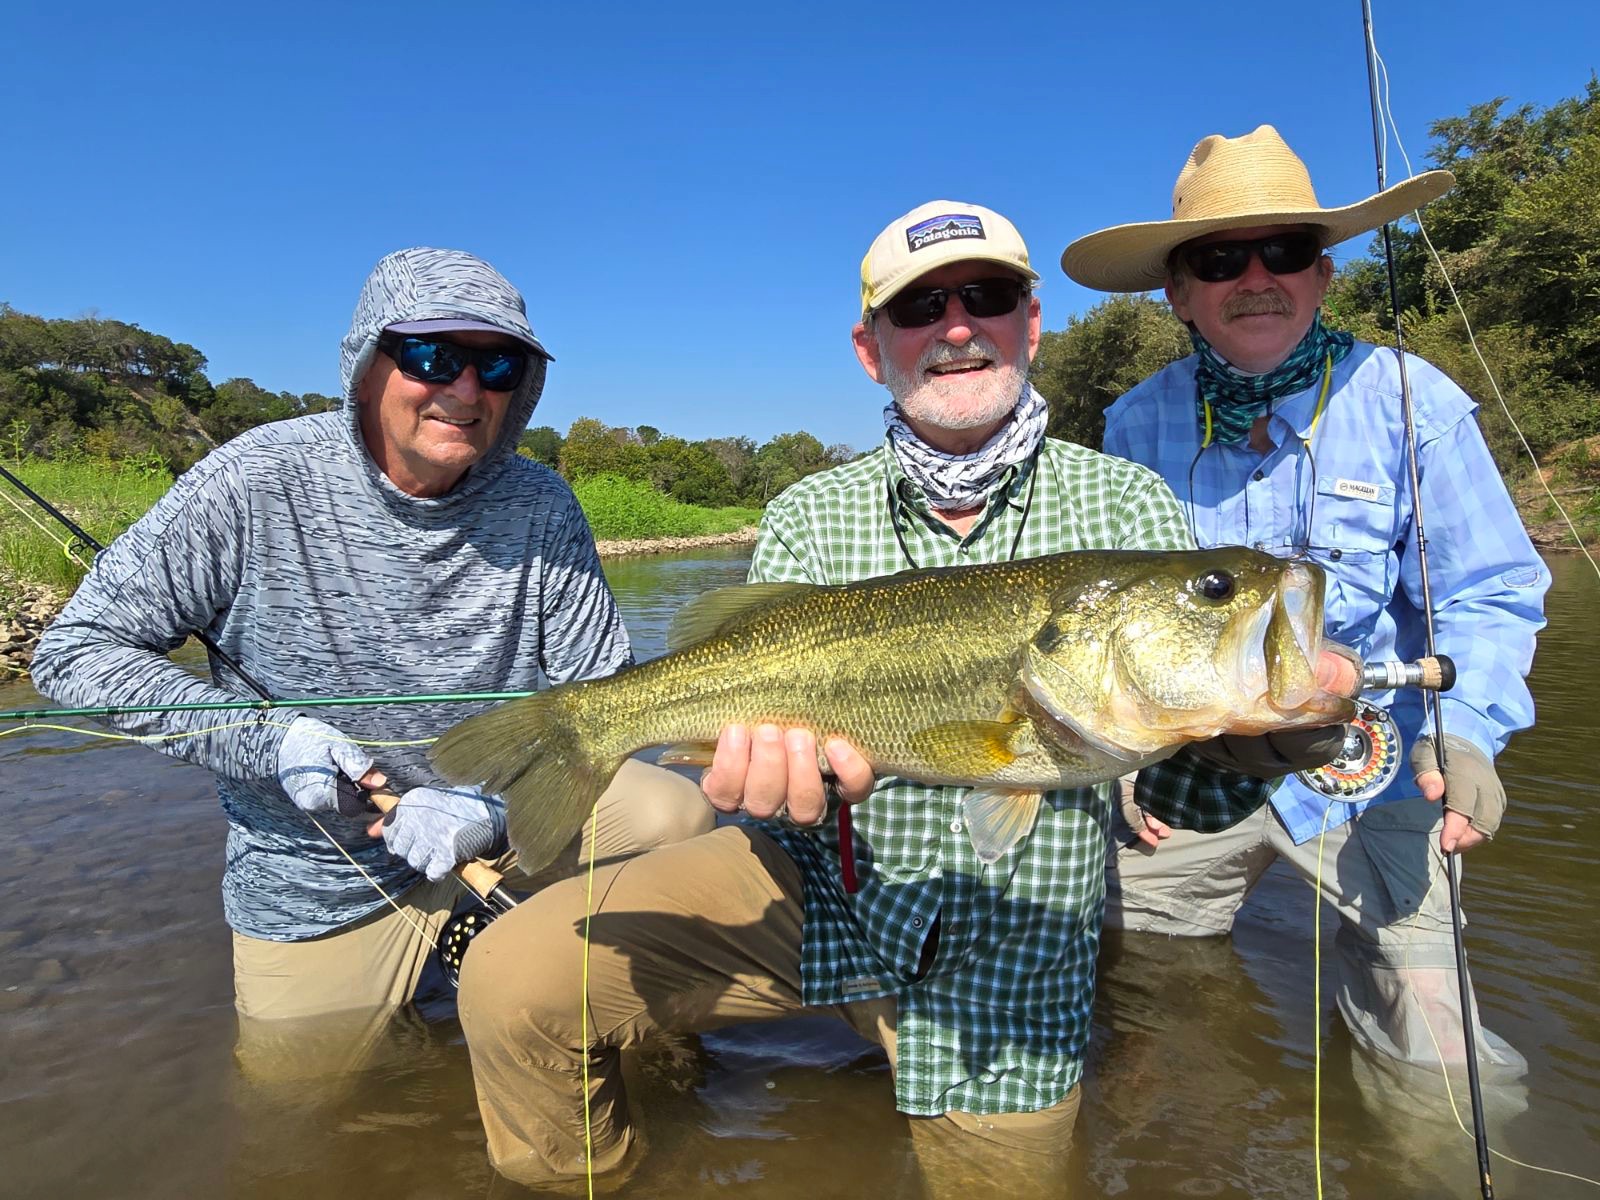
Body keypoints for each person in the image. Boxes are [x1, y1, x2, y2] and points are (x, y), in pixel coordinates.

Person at [456, 202, 1346, 1190]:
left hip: (1014, 955)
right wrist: (753, 776)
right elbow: (769, 761)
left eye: (988, 296)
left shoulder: (1125, 507)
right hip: (813, 898)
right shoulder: (808, 510)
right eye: (920, 306)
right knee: (514, 980)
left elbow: (1178, 803)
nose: (957, 325)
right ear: (869, 346)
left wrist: (1262, 742)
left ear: (1031, 322)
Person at [30, 247, 712, 1073]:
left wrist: (484, 812)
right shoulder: (253, 480)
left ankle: (513, 944)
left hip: (494, 818)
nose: (465, 391)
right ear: (366, 366)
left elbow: (599, 696)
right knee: (298, 1116)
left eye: (497, 366)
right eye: (433, 357)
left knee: (674, 814)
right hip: (317, 871)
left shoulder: (543, 506)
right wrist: (267, 741)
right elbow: (74, 652)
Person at [1061, 125, 1550, 1072]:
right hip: (1188, 770)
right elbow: (1105, 619)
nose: (1256, 277)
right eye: (1218, 258)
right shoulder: (1133, 421)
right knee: (1148, 1008)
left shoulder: (1418, 403)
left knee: (1437, 1060)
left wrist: (1473, 730)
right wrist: (1110, 761)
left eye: (1285, 250)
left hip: (1380, 764)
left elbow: (1491, 590)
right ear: (1179, 292)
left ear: (1324, 274)